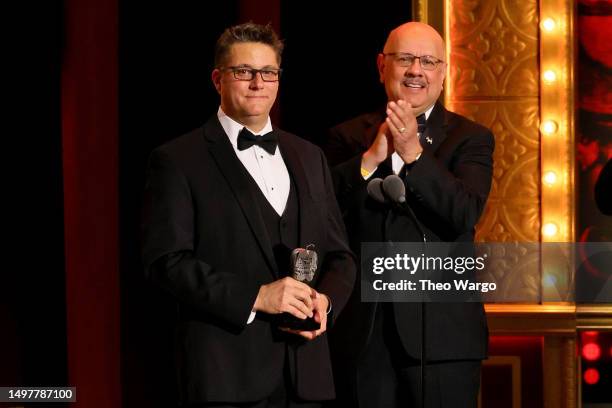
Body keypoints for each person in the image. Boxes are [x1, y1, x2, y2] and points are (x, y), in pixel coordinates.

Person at [141, 22, 355, 408]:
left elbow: (340, 255)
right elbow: (166, 262)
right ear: (217, 79)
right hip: (226, 377)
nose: (258, 82)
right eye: (244, 72)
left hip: (307, 378)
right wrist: (256, 297)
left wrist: (326, 301)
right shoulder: (177, 160)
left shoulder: (310, 156)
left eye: (268, 72)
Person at [324, 22, 494, 407]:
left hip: (443, 339)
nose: (416, 70)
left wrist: (415, 154)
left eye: (429, 61)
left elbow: (464, 212)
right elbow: (323, 217)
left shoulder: (470, 138)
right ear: (382, 66)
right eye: (405, 59)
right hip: (364, 335)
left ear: (444, 72)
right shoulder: (347, 137)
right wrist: (369, 161)